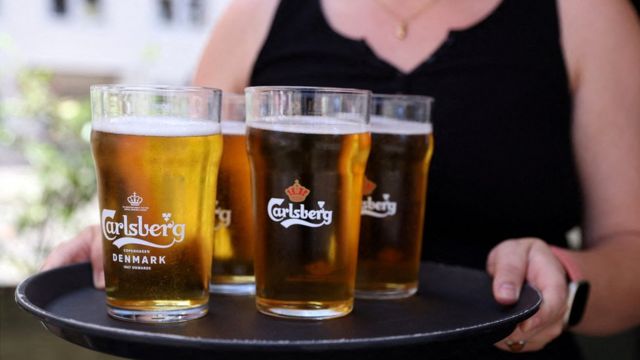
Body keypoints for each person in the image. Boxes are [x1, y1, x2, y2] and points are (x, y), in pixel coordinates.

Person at [43, 0, 640, 358]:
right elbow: (191, 186)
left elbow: (632, 257)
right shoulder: (259, 12)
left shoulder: (587, 15)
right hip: (279, 357)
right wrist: (148, 239)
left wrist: (564, 279)